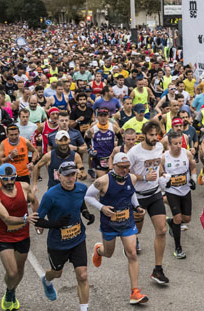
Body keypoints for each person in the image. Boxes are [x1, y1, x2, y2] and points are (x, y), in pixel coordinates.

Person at [86, 152, 148, 305]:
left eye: (127, 167)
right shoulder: (103, 181)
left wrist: (137, 206)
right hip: (109, 224)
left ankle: (134, 292)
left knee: (132, 253)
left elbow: (131, 193)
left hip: (127, 222)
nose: (125, 170)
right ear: (114, 166)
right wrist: (102, 208)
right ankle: (99, 250)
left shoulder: (131, 178)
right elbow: (87, 196)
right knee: (108, 253)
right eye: (122, 167)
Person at [34, 161, 95, 309]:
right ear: (58, 176)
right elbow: (38, 221)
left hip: (78, 238)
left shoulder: (81, 188)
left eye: (73, 174)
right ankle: (46, 281)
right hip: (58, 243)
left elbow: (80, 202)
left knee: (83, 275)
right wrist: (56, 223)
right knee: (56, 273)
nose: (70, 178)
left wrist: (85, 213)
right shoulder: (50, 195)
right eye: (66, 175)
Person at [0, 163, 39, 310]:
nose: (9, 182)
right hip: (3, 236)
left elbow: (34, 201)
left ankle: (11, 291)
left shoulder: (24, 187)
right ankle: (9, 292)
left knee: (19, 271)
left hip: (22, 235)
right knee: (12, 272)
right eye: (5, 179)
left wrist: (38, 220)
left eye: (12, 178)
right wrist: (25, 219)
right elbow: (6, 218)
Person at [126, 119, 170, 285]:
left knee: (162, 230)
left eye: (156, 134)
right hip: (137, 196)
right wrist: (143, 177)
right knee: (135, 232)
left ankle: (158, 270)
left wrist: (162, 174)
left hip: (155, 194)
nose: (154, 138)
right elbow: (124, 174)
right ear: (143, 135)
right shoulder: (134, 153)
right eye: (151, 135)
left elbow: (157, 165)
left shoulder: (159, 147)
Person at [159, 130, 197, 259]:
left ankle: (170, 222)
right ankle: (178, 248)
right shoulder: (164, 157)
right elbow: (160, 171)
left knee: (187, 219)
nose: (178, 145)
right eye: (175, 143)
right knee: (178, 218)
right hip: (172, 191)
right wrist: (165, 181)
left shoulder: (186, 154)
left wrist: (193, 179)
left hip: (185, 190)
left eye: (180, 142)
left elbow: (193, 167)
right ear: (169, 144)